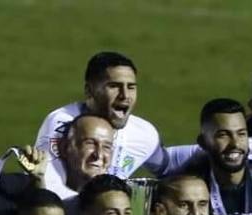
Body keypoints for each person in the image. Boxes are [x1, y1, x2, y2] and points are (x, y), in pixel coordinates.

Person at [34, 52, 165, 183]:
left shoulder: (144, 133)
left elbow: (167, 165)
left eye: (131, 87)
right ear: (89, 91)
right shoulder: (65, 124)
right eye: (114, 86)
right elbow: (51, 187)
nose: (125, 95)